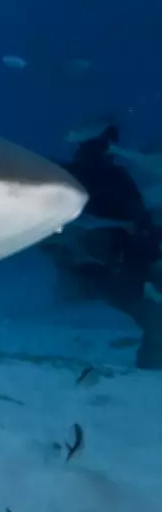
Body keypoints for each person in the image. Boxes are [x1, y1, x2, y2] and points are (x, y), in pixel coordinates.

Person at [53, 124, 162, 369]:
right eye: (102, 143)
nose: (106, 149)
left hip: (128, 260)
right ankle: (147, 377)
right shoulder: (77, 179)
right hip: (106, 270)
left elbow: (142, 223)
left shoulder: (117, 179)